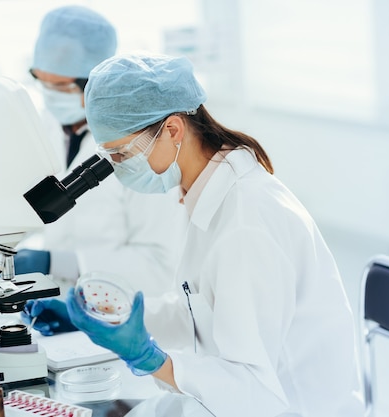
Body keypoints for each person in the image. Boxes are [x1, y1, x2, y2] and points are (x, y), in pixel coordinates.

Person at [28, 52, 365, 416]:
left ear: (173, 130)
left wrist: (150, 358)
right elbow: (202, 310)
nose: (120, 170)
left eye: (122, 155)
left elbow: (253, 390)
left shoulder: (246, 224)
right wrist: (111, 317)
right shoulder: (208, 193)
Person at [0, 7, 186, 331]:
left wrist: (59, 262)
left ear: (97, 79)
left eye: (61, 87)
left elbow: (161, 268)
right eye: (41, 82)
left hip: (127, 322)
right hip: (59, 312)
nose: (50, 95)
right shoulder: (45, 131)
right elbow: (7, 220)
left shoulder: (143, 147)